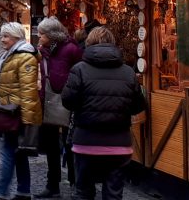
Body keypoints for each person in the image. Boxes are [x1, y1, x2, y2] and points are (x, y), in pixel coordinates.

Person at [61, 26, 146, 200]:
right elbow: (138, 105)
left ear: (89, 43)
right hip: (118, 144)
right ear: (113, 44)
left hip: (85, 141)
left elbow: (67, 101)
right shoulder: (128, 72)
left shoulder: (79, 69)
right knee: (113, 194)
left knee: (83, 192)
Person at [0, 22, 42, 200]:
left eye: (6, 36)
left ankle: (1, 190)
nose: (2, 40)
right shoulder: (11, 55)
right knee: (18, 153)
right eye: (2, 36)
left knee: (8, 151)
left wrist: (28, 122)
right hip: (10, 110)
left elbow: (28, 91)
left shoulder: (24, 57)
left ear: (16, 37)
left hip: (17, 113)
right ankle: (23, 191)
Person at [35, 17, 84, 198]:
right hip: (48, 101)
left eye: (42, 34)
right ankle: (52, 184)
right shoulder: (42, 51)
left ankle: (75, 182)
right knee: (51, 146)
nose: (38, 36)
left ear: (51, 35)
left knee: (71, 143)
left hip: (68, 102)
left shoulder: (71, 49)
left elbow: (80, 73)